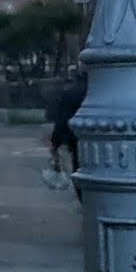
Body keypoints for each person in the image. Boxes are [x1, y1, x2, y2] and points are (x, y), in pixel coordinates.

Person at [49, 65, 88, 199]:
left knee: (80, 174)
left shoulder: (71, 92)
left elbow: (62, 120)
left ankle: (85, 203)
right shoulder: (104, 90)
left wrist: (55, 143)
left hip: (77, 141)